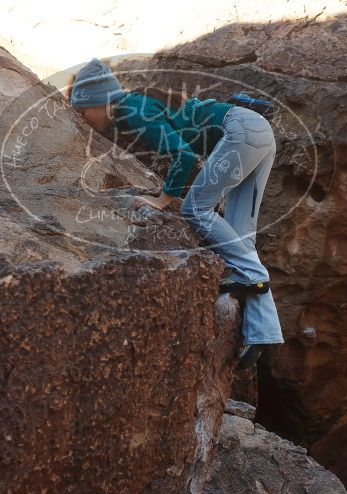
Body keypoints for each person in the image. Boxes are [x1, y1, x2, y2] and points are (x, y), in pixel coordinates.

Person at [69, 57, 284, 369]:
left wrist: (163, 198)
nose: (82, 117)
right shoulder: (137, 104)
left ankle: (252, 277)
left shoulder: (132, 109)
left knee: (195, 208)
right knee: (240, 240)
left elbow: (182, 154)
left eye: (82, 109)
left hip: (241, 131)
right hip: (257, 130)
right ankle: (264, 332)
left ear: (98, 101)